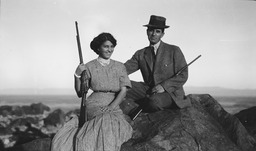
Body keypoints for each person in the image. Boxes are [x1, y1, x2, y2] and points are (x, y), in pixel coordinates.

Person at [51, 33, 133, 151]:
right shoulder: (89, 66)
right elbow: (80, 92)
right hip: (94, 104)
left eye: (111, 46)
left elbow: (123, 91)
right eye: (106, 46)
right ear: (98, 48)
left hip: (113, 105)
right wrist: (77, 75)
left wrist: (111, 106)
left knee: (117, 124)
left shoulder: (120, 66)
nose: (109, 50)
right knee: (105, 120)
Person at [124, 15, 191, 115]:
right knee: (121, 84)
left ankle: (143, 104)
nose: (154, 34)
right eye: (151, 30)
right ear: (147, 32)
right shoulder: (140, 53)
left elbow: (183, 75)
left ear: (162, 34)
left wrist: (164, 86)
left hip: (170, 93)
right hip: (148, 90)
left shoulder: (174, 50)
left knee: (153, 102)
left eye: (158, 31)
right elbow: (123, 70)